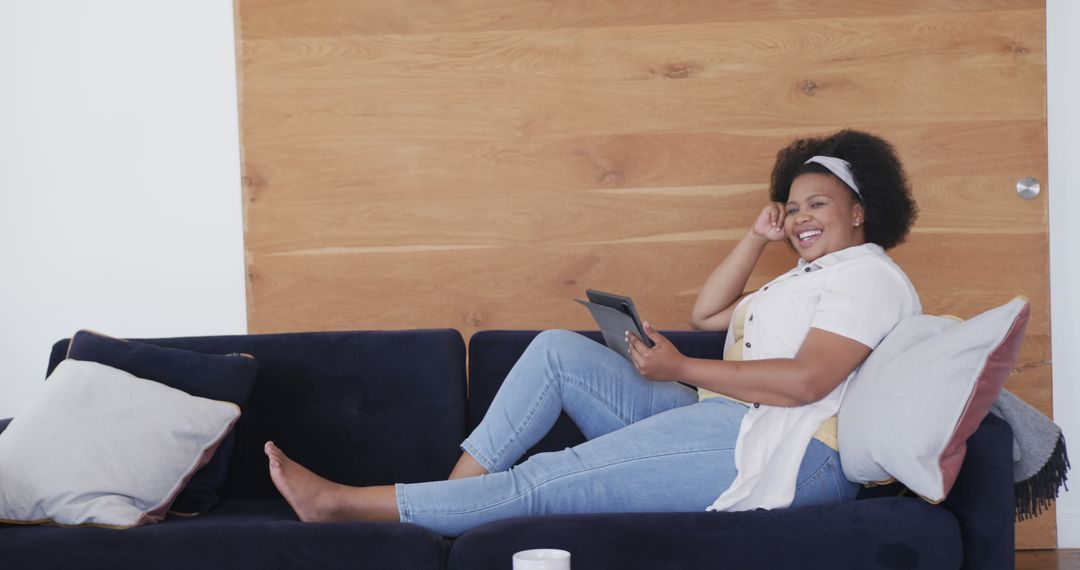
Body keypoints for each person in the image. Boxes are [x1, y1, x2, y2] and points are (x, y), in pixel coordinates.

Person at [263, 129, 921, 537]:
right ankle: (454, 502)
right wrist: (758, 236)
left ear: (862, 210)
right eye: (794, 205)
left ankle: (344, 506)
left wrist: (681, 370)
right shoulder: (809, 276)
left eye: (819, 205)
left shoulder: (866, 278)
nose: (801, 218)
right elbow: (708, 317)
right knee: (555, 352)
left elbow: (808, 380)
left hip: (789, 453)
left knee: (554, 478)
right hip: (736, 418)